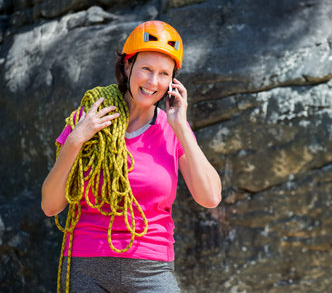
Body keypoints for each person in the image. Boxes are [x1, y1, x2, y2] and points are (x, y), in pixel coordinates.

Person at [41, 20, 222, 292]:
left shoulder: (172, 130)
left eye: (163, 73)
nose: (152, 82)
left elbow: (210, 197)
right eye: (146, 69)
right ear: (127, 66)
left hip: (153, 269)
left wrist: (181, 126)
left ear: (173, 81)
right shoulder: (88, 119)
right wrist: (75, 140)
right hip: (86, 266)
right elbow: (50, 206)